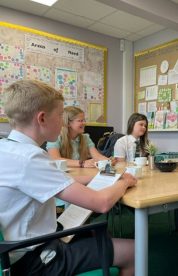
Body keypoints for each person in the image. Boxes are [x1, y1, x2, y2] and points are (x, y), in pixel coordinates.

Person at [0, 80, 137, 275]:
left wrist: (93, 179)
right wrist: (124, 181)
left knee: (102, 234)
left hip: (11, 253)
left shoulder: (8, 149)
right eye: (60, 115)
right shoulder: (30, 158)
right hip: (35, 260)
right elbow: (102, 203)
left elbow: (55, 179)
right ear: (42, 119)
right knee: (134, 251)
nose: (63, 122)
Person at [47, 106, 116, 168]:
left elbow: (97, 156)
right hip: (62, 176)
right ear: (68, 123)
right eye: (80, 120)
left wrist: (108, 161)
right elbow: (55, 159)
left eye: (84, 120)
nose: (84, 123)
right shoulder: (55, 138)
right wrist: (82, 163)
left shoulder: (85, 138)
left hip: (80, 174)